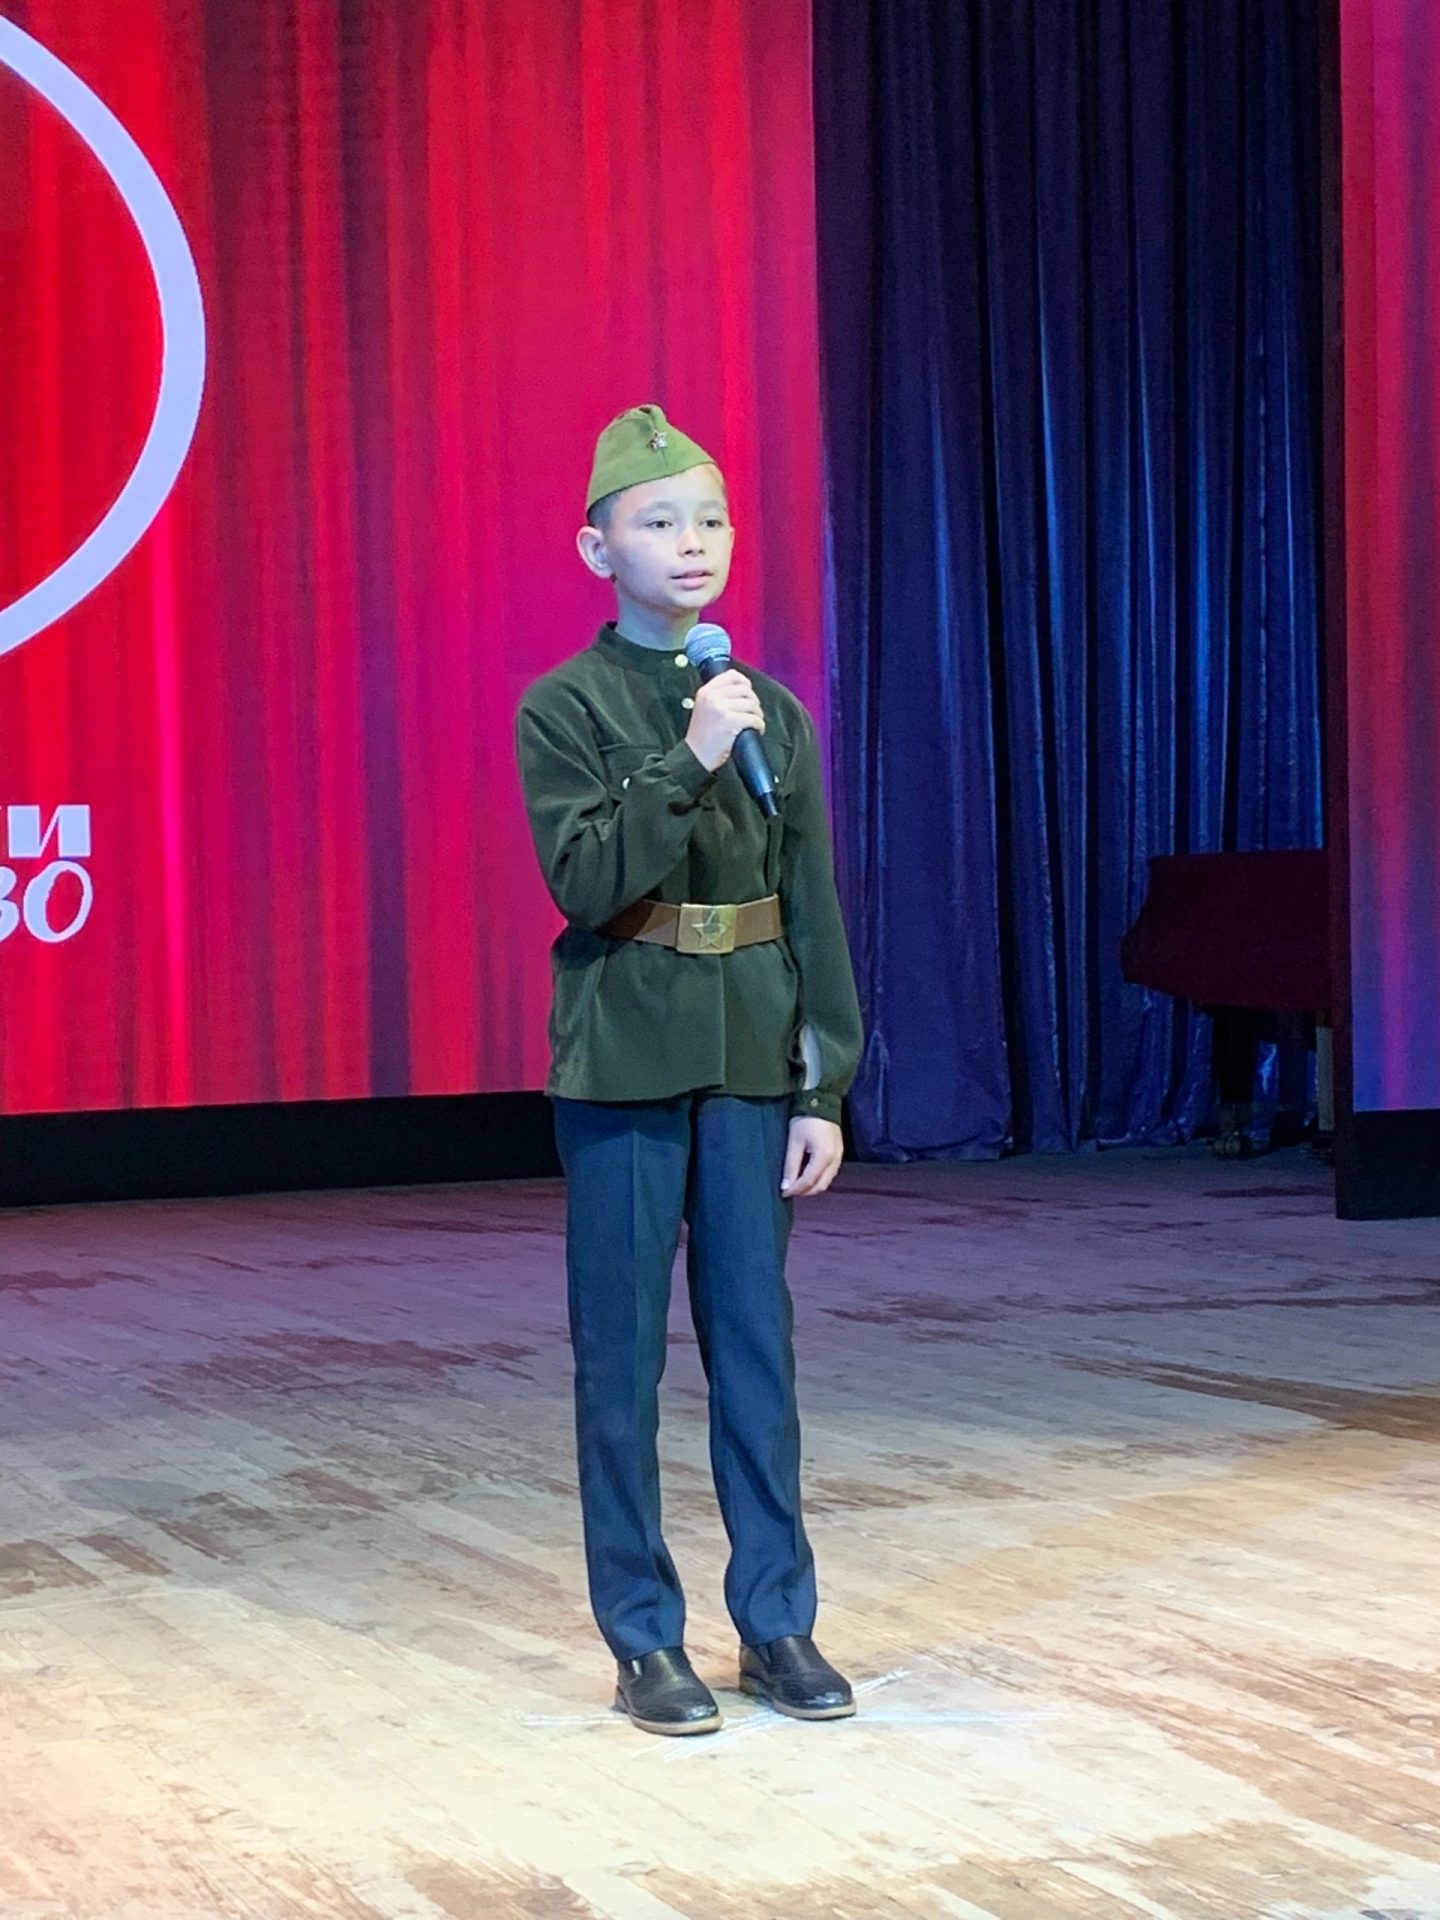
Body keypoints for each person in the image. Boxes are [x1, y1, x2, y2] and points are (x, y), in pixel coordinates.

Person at [514, 404, 864, 1736]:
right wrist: (691, 754)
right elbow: (588, 880)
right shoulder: (566, 706)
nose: (694, 541)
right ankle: (643, 1636)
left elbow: (810, 900)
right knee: (620, 1359)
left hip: (750, 1056)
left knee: (756, 1350)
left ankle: (777, 1620)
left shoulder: (775, 710)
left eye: (710, 517)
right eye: (660, 521)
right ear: (597, 546)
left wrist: (824, 1084)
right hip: (623, 1057)